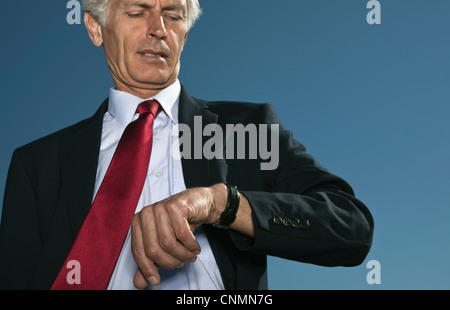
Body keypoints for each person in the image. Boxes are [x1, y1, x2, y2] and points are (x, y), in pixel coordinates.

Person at [0, 0, 374, 290]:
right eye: (137, 11)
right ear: (95, 27)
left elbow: (351, 228)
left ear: (186, 34)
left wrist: (221, 204)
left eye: (174, 16)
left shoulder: (246, 128)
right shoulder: (37, 164)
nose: (158, 29)